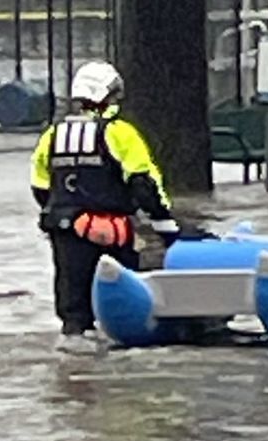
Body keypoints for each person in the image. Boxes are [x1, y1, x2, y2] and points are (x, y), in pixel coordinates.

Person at [31, 60, 192, 352]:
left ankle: (75, 347)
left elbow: (40, 186)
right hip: (113, 230)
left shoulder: (52, 136)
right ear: (108, 95)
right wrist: (165, 224)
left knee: (73, 308)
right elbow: (144, 183)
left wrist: (63, 212)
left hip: (66, 229)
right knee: (120, 296)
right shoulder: (120, 133)